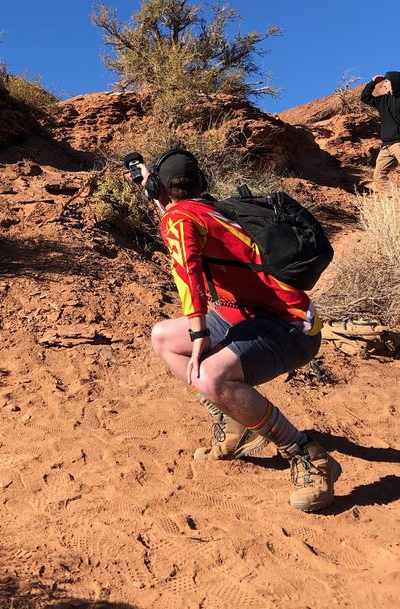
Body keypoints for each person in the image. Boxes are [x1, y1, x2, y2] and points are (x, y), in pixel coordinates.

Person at [130, 148, 337, 513]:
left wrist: (198, 336)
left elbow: (188, 274)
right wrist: (154, 188)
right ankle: (232, 419)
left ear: (162, 187)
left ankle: (306, 454)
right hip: (246, 314)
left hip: (288, 324)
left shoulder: (180, 219)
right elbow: (178, 215)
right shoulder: (208, 208)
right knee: (162, 337)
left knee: (210, 375)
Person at [360, 72, 400, 193]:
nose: (384, 85)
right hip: (386, 146)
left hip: (399, 144)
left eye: (386, 82)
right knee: (379, 177)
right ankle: (397, 196)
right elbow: (365, 97)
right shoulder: (382, 100)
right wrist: (373, 82)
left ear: (395, 83)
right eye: (383, 83)